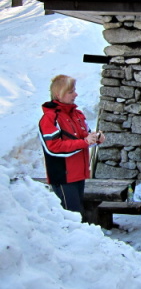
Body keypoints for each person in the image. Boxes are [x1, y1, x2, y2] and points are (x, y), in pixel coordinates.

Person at [38, 75, 105, 215]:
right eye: (71, 92)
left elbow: (85, 137)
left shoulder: (77, 114)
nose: (76, 94)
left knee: (78, 215)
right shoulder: (50, 118)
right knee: (71, 217)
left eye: (74, 90)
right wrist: (85, 142)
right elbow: (54, 147)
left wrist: (95, 138)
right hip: (63, 176)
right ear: (59, 94)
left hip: (79, 174)